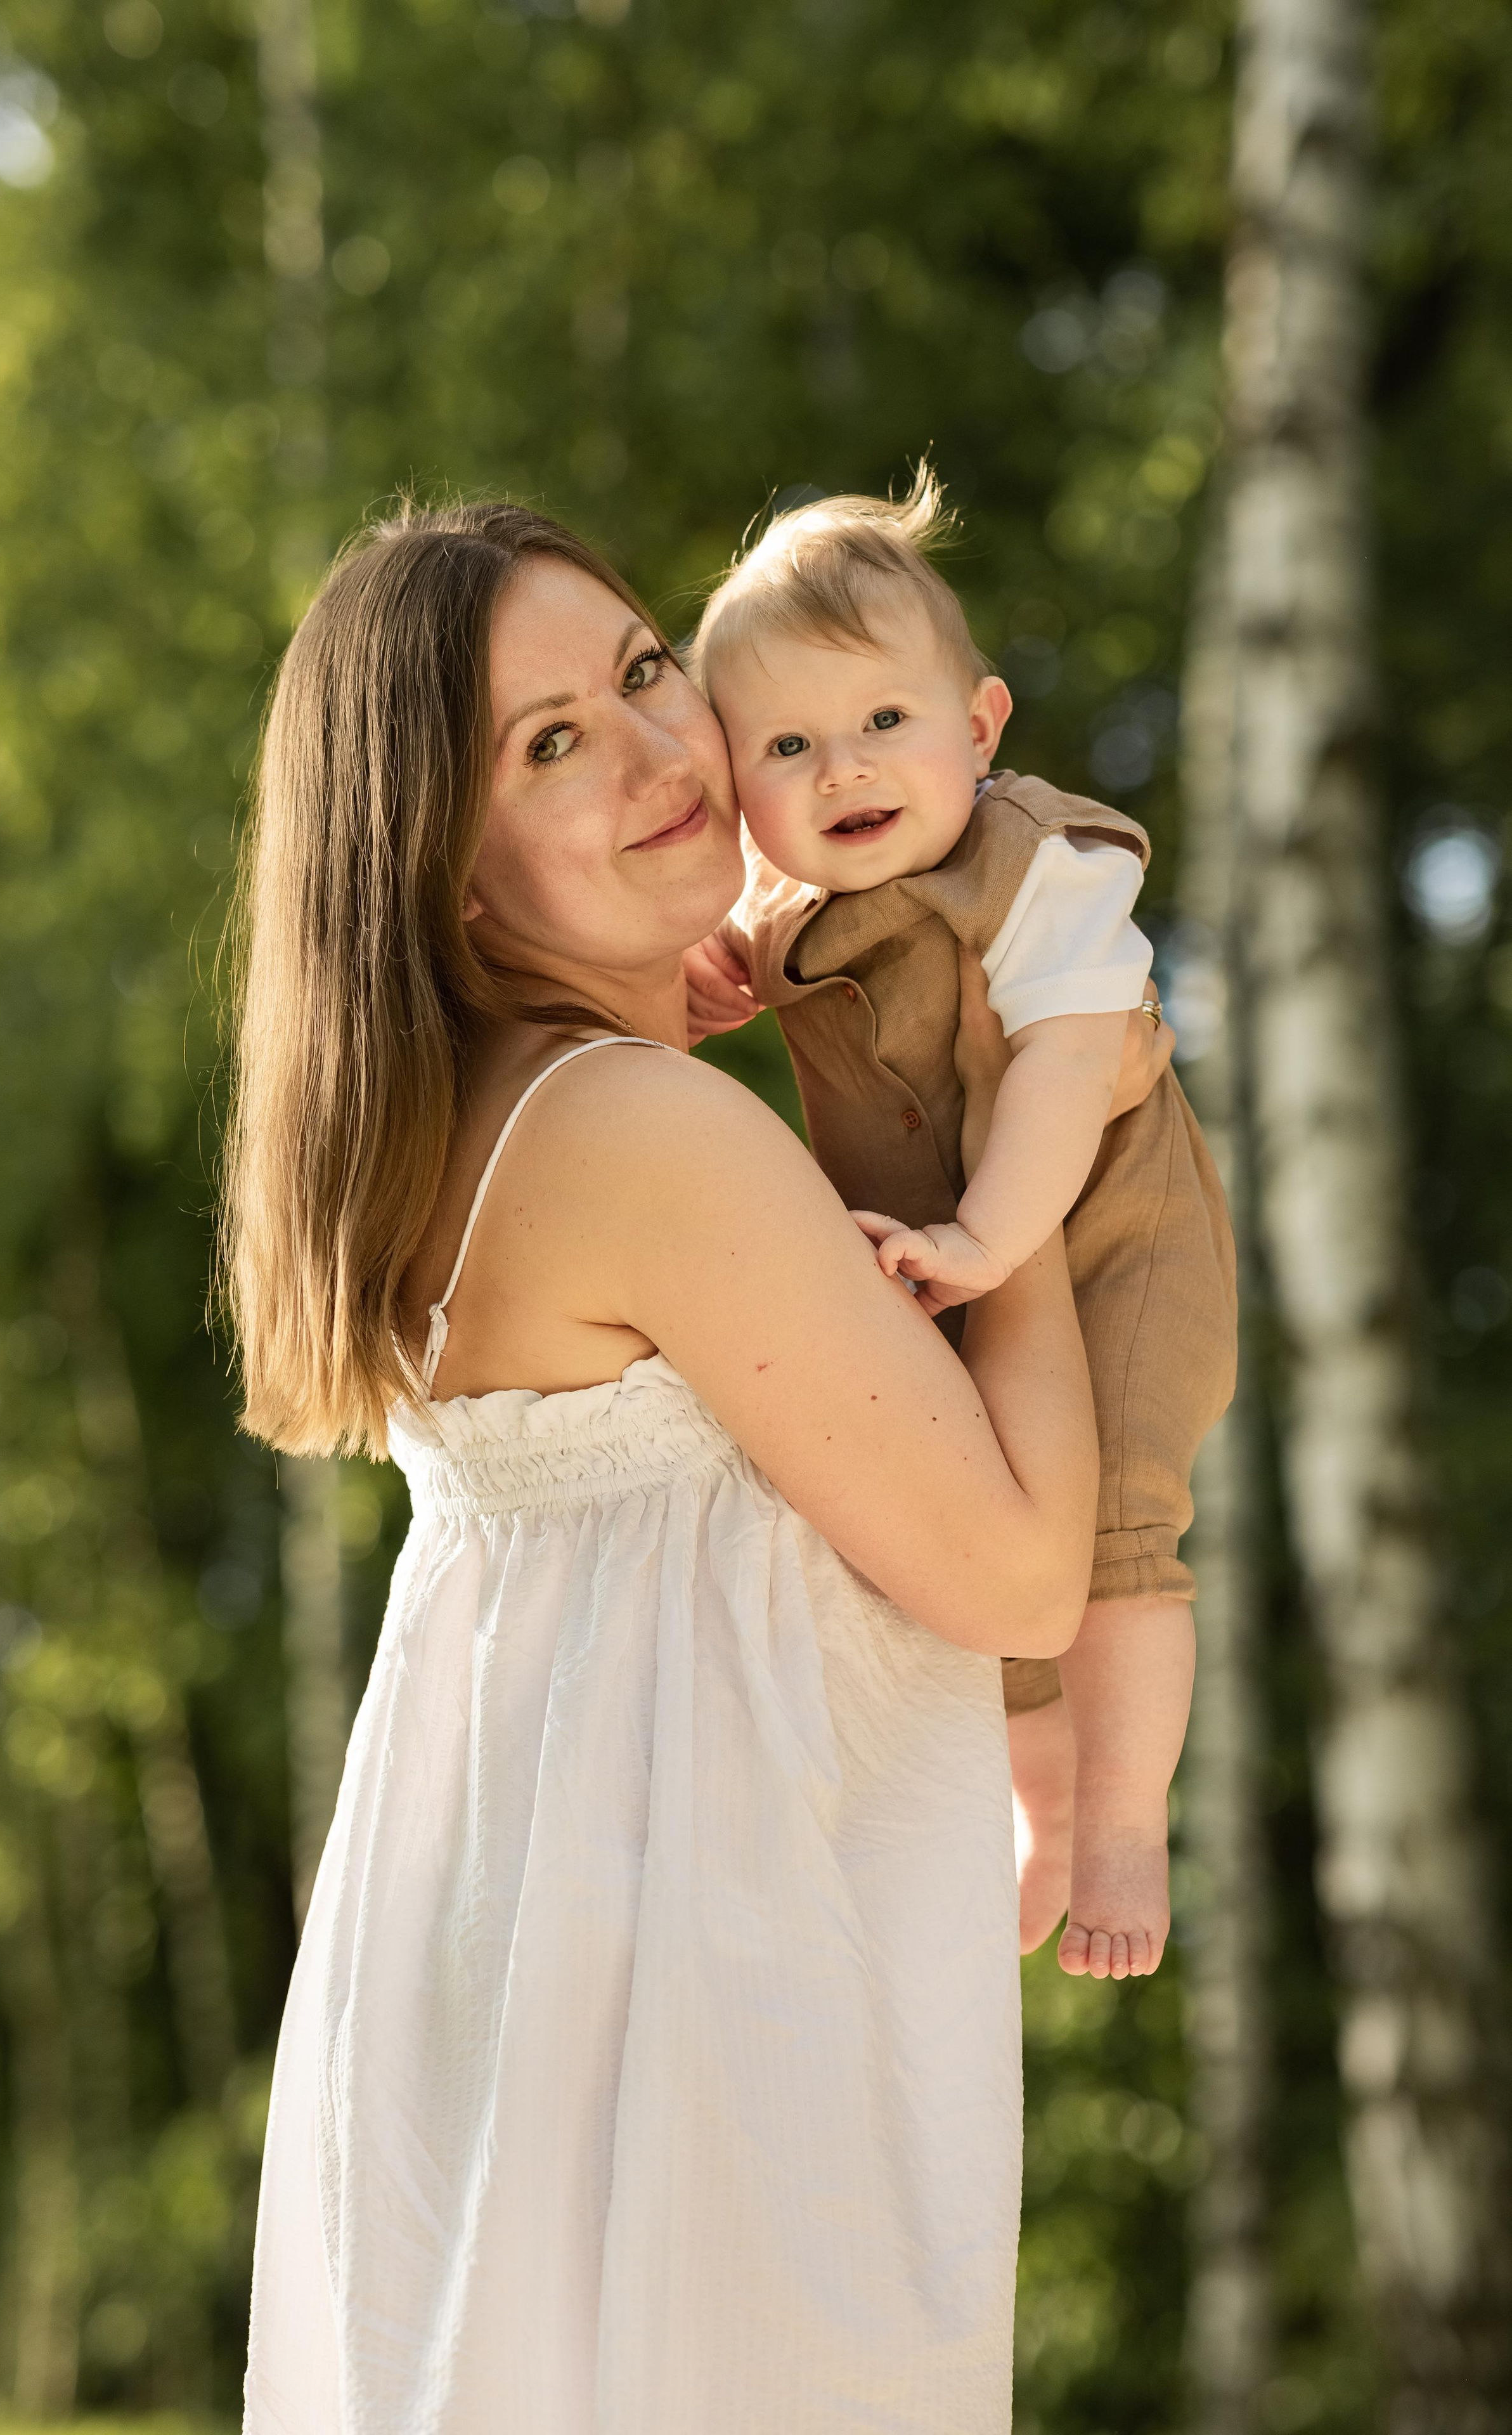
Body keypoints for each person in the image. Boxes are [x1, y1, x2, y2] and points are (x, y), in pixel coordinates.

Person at [227, 498, 1158, 2434]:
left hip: (533, 1979)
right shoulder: (642, 1128)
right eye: (550, 743)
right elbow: (1007, 1573)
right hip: (706, 2023)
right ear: (447, 866)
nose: (664, 751)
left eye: (648, 671)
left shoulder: (465, 1134)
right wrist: (1020, 1148)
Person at [684, 473, 1236, 1980]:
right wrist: (702, 974)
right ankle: (1038, 1813)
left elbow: (1064, 1065)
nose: (841, 769)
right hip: (948, 1261)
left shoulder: (1043, 869)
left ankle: (1123, 1817)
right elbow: (717, 966)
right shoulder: (785, 904)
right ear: (742, 790)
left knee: (1113, 1516)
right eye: (786, 747)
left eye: (881, 723)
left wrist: (996, 1241)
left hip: (1107, 1237)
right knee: (966, 1531)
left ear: (978, 729)